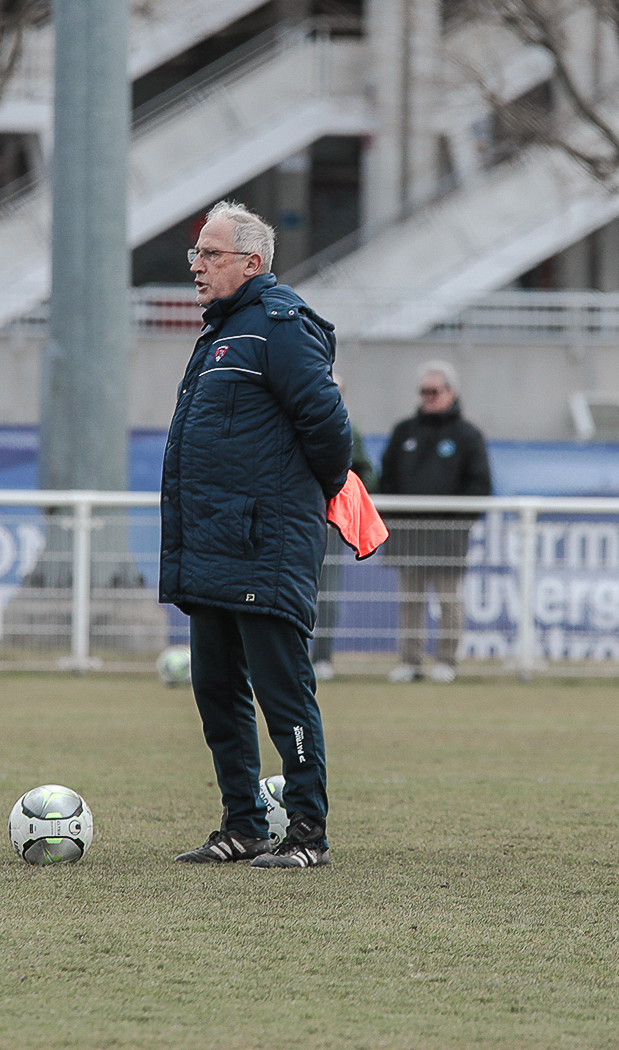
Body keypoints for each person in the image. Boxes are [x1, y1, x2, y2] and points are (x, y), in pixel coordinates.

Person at [158, 200, 354, 869]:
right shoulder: (223, 332)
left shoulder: (280, 325)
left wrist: (295, 501)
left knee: (282, 693)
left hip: (262, 546)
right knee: (216, 691)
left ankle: (307, 833)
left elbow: (330, 432)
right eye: (196, 253)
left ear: (252, 261)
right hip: (214, 546)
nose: (197, 265)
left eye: (210, 254)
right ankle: (243, 825)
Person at [377, 361, 491, 682]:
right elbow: (387, 476)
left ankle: (447, 661)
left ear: (451, 393)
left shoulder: (467, 435)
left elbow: (479, 484)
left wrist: (457, 521)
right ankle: (410, 662)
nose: (427, 397)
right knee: (410, 600)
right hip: (408, 531)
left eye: (434, 391)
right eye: (423, 391)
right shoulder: (404, 431)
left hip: (447, 533)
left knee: (448, 599)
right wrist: (394, 517)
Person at [311, 426, 377, 680]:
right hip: (287, 519)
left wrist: (345, 502)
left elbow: (364, 472)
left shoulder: (345, 429)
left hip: (327, 522)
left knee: (327, 593)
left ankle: (321, 657)